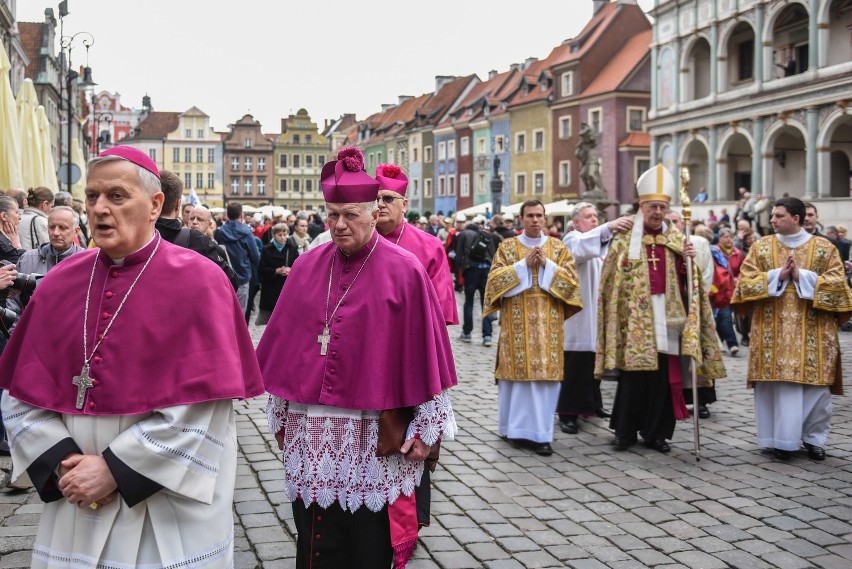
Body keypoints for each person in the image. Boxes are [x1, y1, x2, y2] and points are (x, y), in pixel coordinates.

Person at [0, 145, 264, 568]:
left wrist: (114, 470)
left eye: (117, 196)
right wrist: (62, 462)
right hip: (74, 500)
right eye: (92, 197)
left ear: (155, 204)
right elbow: (19, 393)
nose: (100, 209)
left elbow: (205, 409)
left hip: (164, 509)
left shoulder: (201, 283)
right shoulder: (58, 284)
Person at [257, 147, 457, 568]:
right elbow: (286, 350)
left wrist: (427, 428)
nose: (339, 225)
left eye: (350, 215)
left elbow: (427, 356)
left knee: (368, 546)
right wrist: (281, 416)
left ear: (373, 212)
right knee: (315, 542)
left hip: (373, 435)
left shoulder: (404, 269)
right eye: (332, 215)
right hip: (312, 432)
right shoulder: (310, 264)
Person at [596, 165, 725, 453]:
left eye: (662, 207)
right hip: (635, 319)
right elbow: (611, 280)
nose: (657, 212)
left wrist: (687, 261)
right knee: (634, 379)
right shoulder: (624, 238)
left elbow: (689, 283)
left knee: (664, 381)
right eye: (653, 206)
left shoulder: (678, 239)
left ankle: (658, 433)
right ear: (642, 207)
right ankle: (625, 432)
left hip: (669, 318)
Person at [732, 197, 852, 460]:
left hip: (814, 329)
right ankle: (778, 440)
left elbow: (839, 285)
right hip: (771, 329)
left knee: (816, 388)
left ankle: (814, 439)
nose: (772, 220)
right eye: (773, 215)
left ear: (796, 218)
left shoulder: (824, 248)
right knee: (778, 386)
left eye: (778, 215)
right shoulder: (762, 247)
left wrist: (802, 277)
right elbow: (743, 284)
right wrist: (778, 276)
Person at [483, 200, 582, 456]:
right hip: (515, 324)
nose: (535, 220)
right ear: (521, 219)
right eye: (530, 216)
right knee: (516, 381)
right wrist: (522, 265)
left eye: (539, 215)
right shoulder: (507, 247)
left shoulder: (558, 248)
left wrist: (547, 265)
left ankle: (541, 434)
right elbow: (493, 283)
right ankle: (513, 430)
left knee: (543, 382)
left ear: (545, 219)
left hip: (548, 326)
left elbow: (572, 285)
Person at [557, 203, 632, 434]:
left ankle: (593, 404)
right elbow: (580, 249)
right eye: (589, 217)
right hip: (579, 317)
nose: (594, 220)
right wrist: (609, 226)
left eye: (596, 217)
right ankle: (567, 412)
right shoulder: (571, 239)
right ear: (577, 222)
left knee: (594, 364)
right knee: (576, 366)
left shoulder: (600, 243)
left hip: (599, 314)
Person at [375, 163, 458, 325]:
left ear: (404, 205)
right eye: (375, 199)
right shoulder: (359, 241)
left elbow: (440, 305)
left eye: (388, 199)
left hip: (412, 330)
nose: (380, 204)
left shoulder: (430, 246)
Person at [156, 171, 239, 290]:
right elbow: (231, 281)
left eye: (199, 219)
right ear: (178, 204)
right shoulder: (196, 240)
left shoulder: (136, 237)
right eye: (192, 218)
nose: (195, 222)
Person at [6, 206, 85, 319]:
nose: (56, 233)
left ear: (76, 231)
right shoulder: (28, 259)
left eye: (62, 228)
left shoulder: (87, 262)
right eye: (52, 227)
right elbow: (13, 303)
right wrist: (17, 334)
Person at [454, 214, 500, 345]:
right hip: (486, 270)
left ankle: (467, 333)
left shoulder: (464, 234)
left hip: (471, 270)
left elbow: (458, 257)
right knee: (486, 303)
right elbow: (494, 254)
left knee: (469, 302)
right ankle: (487, 335)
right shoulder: (488, 236)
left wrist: (459, 277)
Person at [215, 201, 260, 312]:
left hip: (224, 275)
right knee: (240, 312)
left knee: (225, 311)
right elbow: (255, 257)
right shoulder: (247, 232)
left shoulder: (219, 232)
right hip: (243, 276)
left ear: (227, 215)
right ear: (241, 215)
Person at [256, 223, 299, 325]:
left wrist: (290, 270)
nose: (283, 238)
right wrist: (276, 271)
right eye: (280, 235)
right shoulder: (267, 249)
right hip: (271, 289)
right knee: (270, 321)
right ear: (274, 235)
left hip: (286, 288)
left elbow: (298, 267)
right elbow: (261, 269)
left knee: (285, 321)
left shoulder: (292, 248)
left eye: (285, 235)